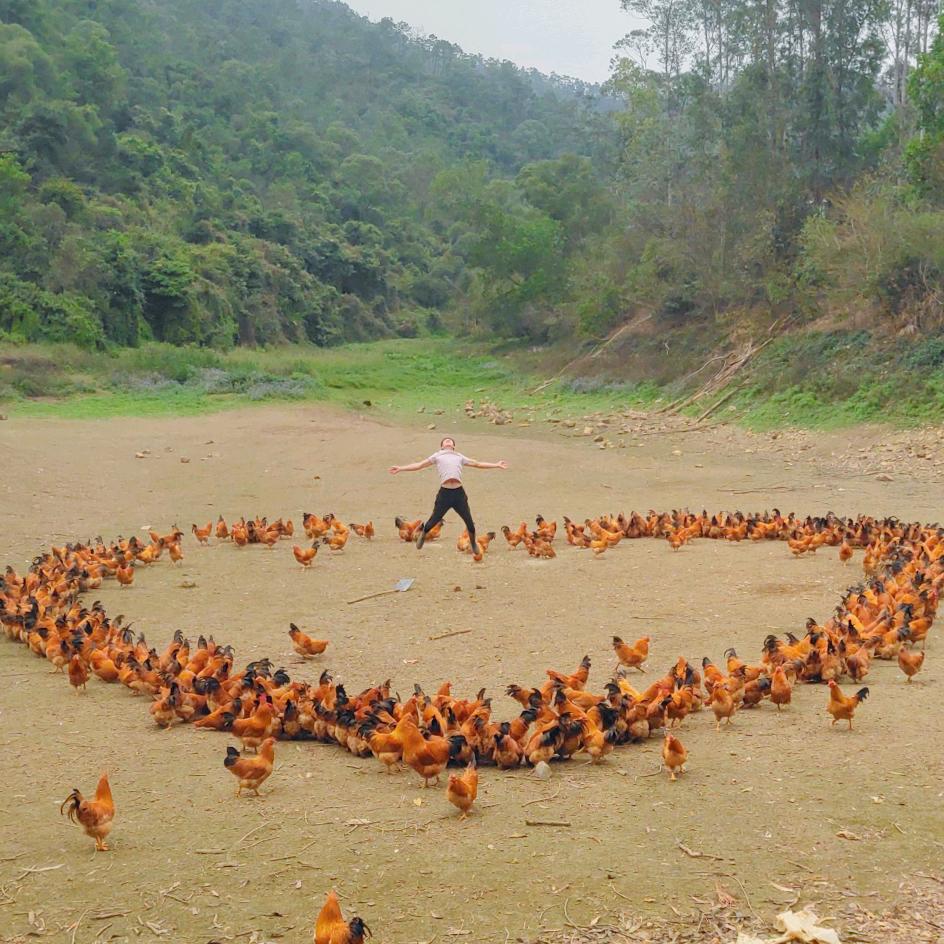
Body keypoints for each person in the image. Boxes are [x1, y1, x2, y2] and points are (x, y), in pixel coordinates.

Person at [389, 437, 508, 554]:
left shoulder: (459, 456)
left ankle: (473, 543)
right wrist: (400, 468)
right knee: (433, 520)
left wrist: (496, 465)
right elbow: (419, 465)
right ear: (441, 446)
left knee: (470, 523)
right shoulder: (437, 456)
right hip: (444, 494)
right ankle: (424, 533)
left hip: (459, 494)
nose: (448, 441)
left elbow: (478, 464)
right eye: (445, 441)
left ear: (453, 446)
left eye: (450, 441)